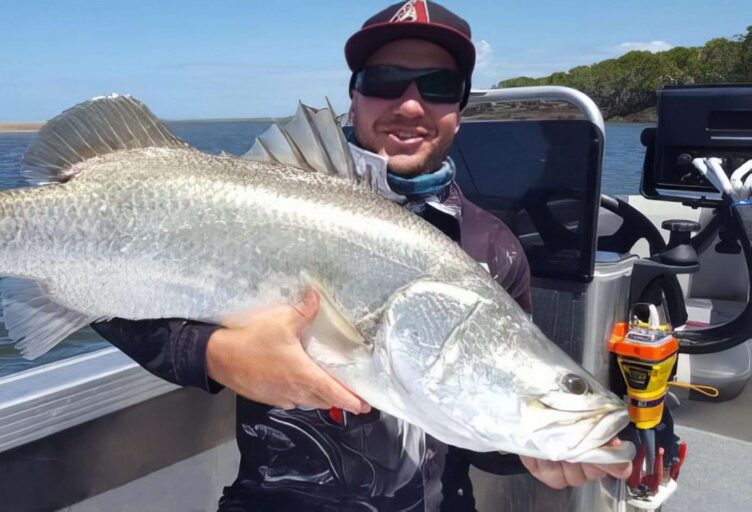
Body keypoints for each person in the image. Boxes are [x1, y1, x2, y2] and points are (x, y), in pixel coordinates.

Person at [92, 2, 631, 510]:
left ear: (460, 111)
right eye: (385, 82)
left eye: (440, 87)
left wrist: (532, 452)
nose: (412, 105)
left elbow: (473, 425)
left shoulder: (494, 249)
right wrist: (216, 354)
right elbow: (100, 284)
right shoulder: (260, 206)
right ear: (353, 96)